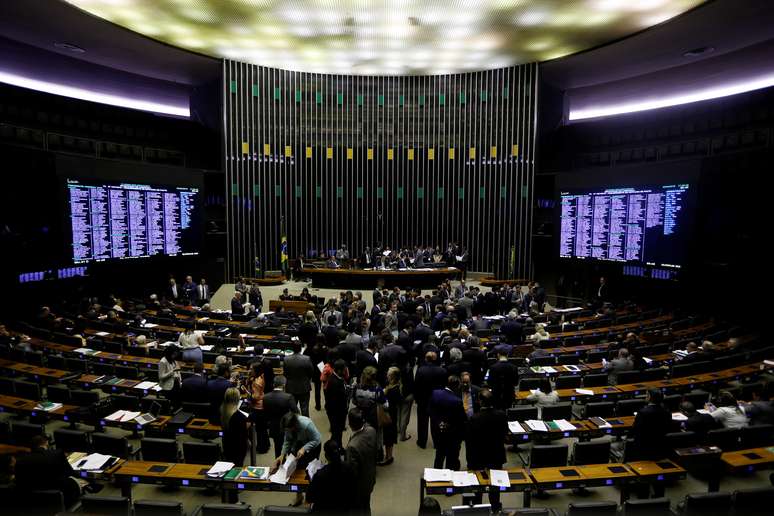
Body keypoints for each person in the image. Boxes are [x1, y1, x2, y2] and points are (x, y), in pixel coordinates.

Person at [14, 435, 93, 506]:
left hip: (32, 499)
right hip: (61, 495)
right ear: (46, 444)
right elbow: (70, 472)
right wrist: (89, 480)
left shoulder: (20, 460)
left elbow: (19, 480)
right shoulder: (57, 454)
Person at [465, 389, 508, 512]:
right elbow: (505, 434)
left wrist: (470, 462)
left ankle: (479, 509)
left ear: (480, 402)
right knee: (495, 484)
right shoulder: (501, 415)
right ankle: (495, 508)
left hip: (479, 456)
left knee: (478, 485)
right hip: (496, 455)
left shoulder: (474, 418)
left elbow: (470, 441)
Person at [274, 412, 322, 506]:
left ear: (295, 425)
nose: (287, 431)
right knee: (297, 471)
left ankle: (310, 497)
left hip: (313, 447)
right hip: (298, 445)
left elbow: (316, 439)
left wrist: (304, 448)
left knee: (310, 473)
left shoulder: (307, 424)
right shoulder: (287, 426)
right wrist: (282, 454)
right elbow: (287, 440)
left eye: (289, 429)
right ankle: (299, 496)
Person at [305, 440, 355, 515]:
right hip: (344, 510)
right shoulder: (349, 469)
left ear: (326, 455)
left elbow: (309, 498)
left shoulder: (320, 475)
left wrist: (313, 482)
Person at [429, 375, 466, 470]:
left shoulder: (435, 393)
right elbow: (461, 419)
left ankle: (436, 477)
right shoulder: (457, 401)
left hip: (438, 431)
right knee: (451, 460)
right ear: (457, 386)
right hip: (452, 435)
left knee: (439, 457)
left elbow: (430, 411)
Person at [346, 408, 377, 516]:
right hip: (369, 478)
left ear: (349, 424)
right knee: (366, 506)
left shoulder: (352, 446)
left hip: (358, 487)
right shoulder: (372, 431)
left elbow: (352, 473)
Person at [413, 351, 448, 449]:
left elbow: (417, 385)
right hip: (438, 400)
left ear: (426, 358)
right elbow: (445, 386)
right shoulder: (442, 371)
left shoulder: (420, 370)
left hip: (423, 400)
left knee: (422, 422)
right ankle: (437, 443)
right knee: (436, 422)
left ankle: (422, 442)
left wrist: (416, 398)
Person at [263, 375, 297, 458]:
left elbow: (266, 414)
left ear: (274, 384)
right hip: (287, 428)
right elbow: (296, 412)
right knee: (289, 449)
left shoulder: (266, 397)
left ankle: (278, 466)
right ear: (284, 385)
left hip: (274, 427)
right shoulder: (288, 397)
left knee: (278, 450)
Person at [284, 341, 316, 416]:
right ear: (300, 349)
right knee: (305, 409)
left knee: (292, 410)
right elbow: (311, 372)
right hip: (304, 387)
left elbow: (285, 374)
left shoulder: (286, 359)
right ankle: (305, 426)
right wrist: (306, 379)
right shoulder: (307, 359)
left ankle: (293, 426)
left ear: (292, 349)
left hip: (291, 387)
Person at [220, 387, 249, 466]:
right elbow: (243, 436)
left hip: (226, 444)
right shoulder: (240, 417)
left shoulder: (222, 411)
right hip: (238, 448)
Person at [381, 366, 403, 466]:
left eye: (389, 374)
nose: (386, 375)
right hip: (390, 414)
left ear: (393, 377)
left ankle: (389, 457)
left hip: (389, 415)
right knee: (388, 435)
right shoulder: (392, 386)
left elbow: (390, 404)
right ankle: (388, 455)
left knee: (388, 436)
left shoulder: (394, 390)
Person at [324, 359, 349, 445]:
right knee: (336, 433)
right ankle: (335, 450)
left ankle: (338, 447)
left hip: (337, 412)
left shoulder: (337, 378)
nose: (346, 371)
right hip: (336, 413)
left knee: (338, 432)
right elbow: (335, 401)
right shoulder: (334, 382)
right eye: (344, 369)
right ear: (339, 370)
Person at [207, 357, 234, 424]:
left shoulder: (209, 383)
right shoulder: (229, 385)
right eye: (229, 372)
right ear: (226, 373)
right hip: (224, 417)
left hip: (211, 416)